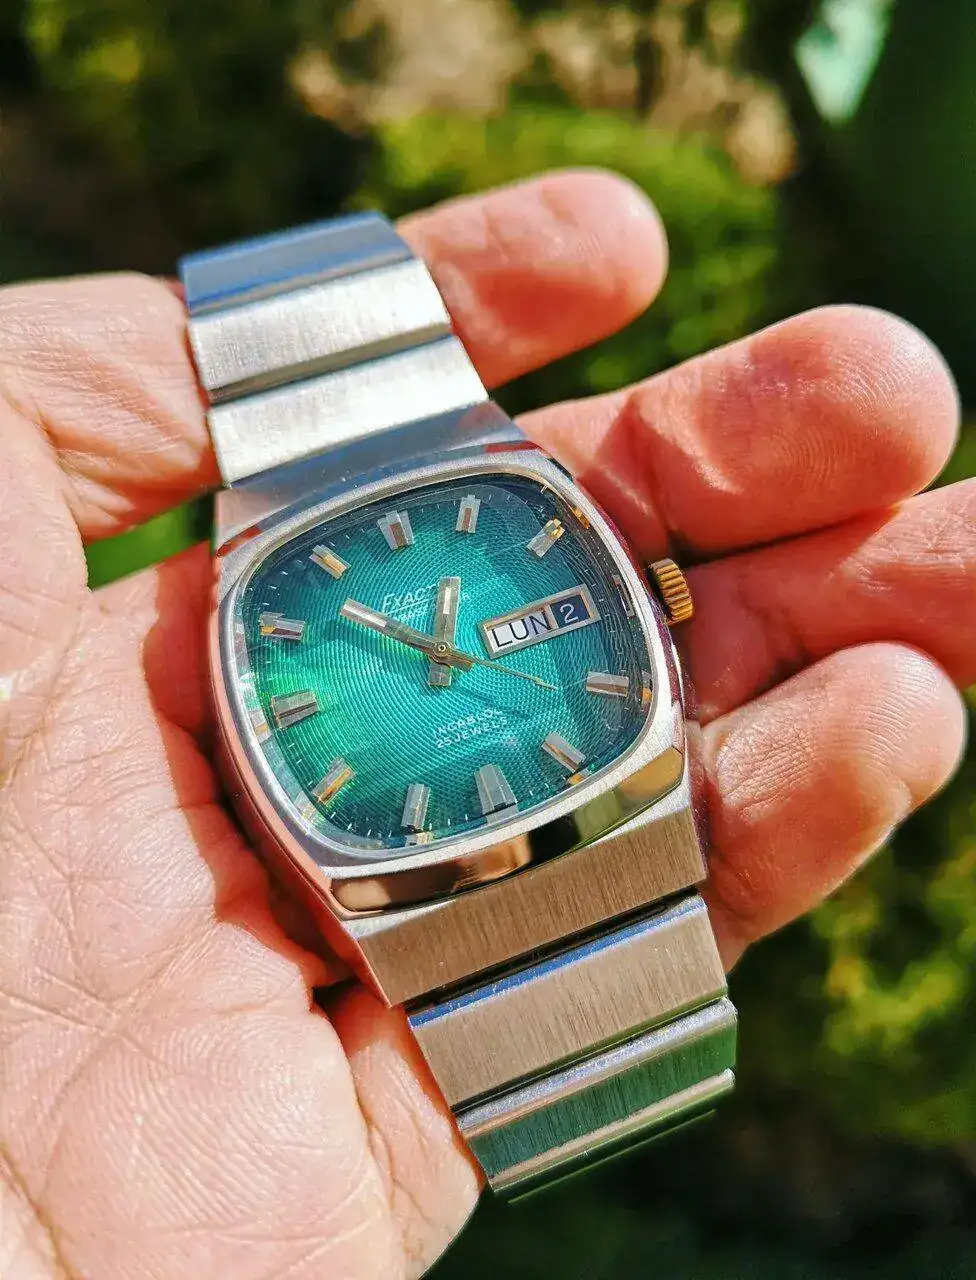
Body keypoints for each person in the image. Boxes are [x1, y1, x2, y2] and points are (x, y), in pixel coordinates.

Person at [0, 171, 972, 1280]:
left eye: (449, 641)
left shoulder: (529, 527)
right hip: (422, 851)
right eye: (436, 651)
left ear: (652, 603)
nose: (446, 659)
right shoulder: (268, 593)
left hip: (602, 791)